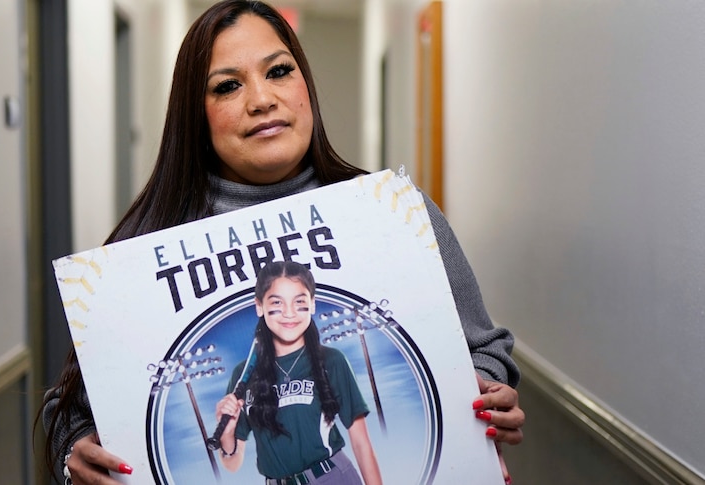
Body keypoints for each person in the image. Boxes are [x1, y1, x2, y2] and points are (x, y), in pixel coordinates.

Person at [41, 1, 525, 484]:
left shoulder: (396, 215)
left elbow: (485, 349)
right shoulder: (142, 252)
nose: (262, 99)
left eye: (278, 71)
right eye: (228, 85)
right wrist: (74, 455)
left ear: (305, 87)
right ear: (196, 115)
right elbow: (70, 411)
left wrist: (485, 397)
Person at [215, 261, 382, 484]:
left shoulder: (331, 361)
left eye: (299, 302)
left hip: (330, 478)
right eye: (277, 302)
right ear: (259, 306)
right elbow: (233, 464)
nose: (289, 313)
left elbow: (361, 443)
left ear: (312, 304)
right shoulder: (243, 374)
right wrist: (227, 432)